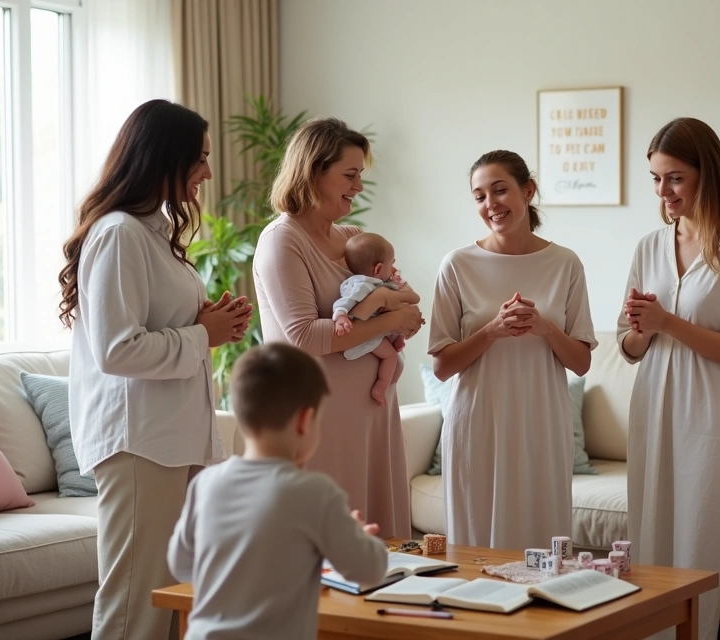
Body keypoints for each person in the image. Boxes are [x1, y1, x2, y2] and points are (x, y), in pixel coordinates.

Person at [59, 99, 252, 640]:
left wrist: (204, 320)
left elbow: (151, 324)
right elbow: (116, 350)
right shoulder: (119, 233)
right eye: (201, 159)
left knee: (171, 599)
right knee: (134, 604)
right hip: (139, 441)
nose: (208, 173)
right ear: (164, 157)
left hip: (170, 436)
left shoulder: (151, 231)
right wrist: (201, 334)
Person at [618, 117, 720, 640]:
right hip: (652, 404)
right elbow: (629, 347)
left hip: (710, 410)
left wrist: (667, 323)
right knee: (649, 536)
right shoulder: (649, 246)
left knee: (699, 540)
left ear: (707, 173)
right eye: (656, 179)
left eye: (675, 178)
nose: (663, 191)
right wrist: (641, 328)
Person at [252, 117, 424, 540]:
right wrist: (391, 318)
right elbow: (304, 337)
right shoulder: (282, 240)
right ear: (313, 172)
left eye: (359, 175)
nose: (358, 186)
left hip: (371, 414)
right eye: (349, 175)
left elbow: (402, 296)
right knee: (326, 543)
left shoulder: (352, 238)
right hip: (320, 418)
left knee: (381, 545)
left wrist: (396, 313)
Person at [428, 150, 596, 551]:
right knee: (477, 546)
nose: (491, 204)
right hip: (479, 422)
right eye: (479, 196)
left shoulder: (565, 263)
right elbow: (442, 367)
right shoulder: (457, 265)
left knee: (542, 544)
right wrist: (492, 331)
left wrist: (545, 327)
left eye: (500, 190)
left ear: (528, 190)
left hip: (543, 421)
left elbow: (581, 362)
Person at [167, 343, 388, 640]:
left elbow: (181, 565)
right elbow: (368, 570)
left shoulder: (206, 483)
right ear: (304, 421)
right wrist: (360, 538)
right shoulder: (315, 493)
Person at [331, 232, 420, 406]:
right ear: (378, 269)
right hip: (365, 334)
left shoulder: (379, 284)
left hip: (377, 329)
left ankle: (397, 339)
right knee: (391, 357)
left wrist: (398, 287)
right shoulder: (362, 285)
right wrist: (340, 316)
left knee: (395, 351)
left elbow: (414, 298)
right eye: (391, 264)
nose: (394, 269)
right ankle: (380, 388)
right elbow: (346, 301)